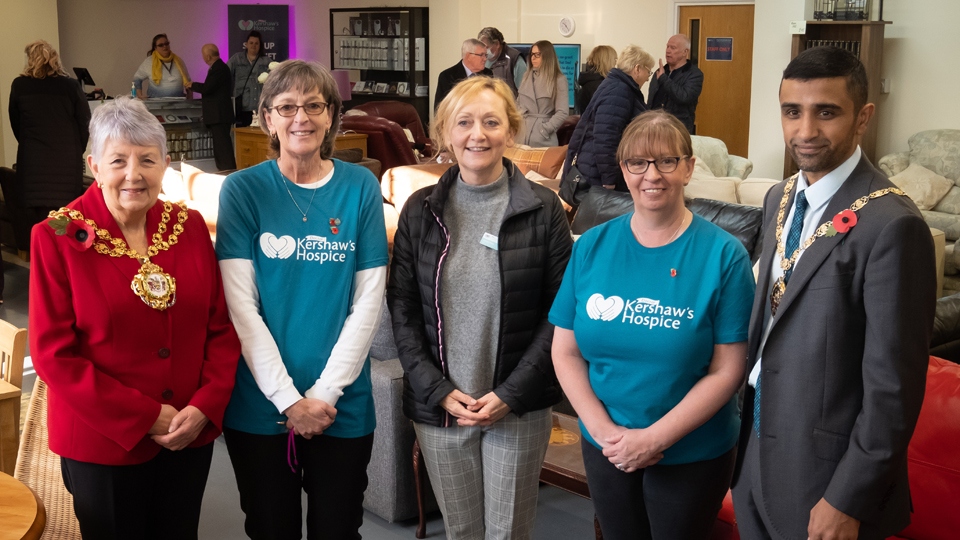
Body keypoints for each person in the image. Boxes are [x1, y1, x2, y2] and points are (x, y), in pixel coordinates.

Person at [731, 46, 937, 540]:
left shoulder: (893, 225)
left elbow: (893, 387)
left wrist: (849, 497)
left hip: (826, 475)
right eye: (791, 111)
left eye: (827, 112)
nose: (805, 131)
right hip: (756, 450)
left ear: (863, 117)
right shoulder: (780, 198)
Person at [28, 96, 240, 539]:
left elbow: (220, 328)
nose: (133, 174)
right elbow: (53, 355)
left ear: (165, 164)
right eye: (118, 160)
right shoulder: (56, 236)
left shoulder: (190, 226)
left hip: (188, 432)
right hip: (103, 443)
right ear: (94, 165)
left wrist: (204, 405)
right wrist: (146, 416)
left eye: (147, 159)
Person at [550, 109, 755, 539]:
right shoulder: (591, 247)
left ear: (689, 167)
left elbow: (728, 370)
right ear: (623, 170)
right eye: (637, 162)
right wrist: (605, 432)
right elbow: (565, 351)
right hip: (606, 446)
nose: (652, 175)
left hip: (692, 453)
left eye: (666, 161)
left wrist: (654, 439)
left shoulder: (724, 256)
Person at [388, 76, 572, 539]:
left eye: (491, 122)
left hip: (517, 408)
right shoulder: (419, 210)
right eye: (464, 122)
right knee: (462, 532)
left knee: (508, 533)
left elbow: (560, 312)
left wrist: (510, 394)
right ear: (446, 132)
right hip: (441, 409)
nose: (478, 134)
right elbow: (403, 309)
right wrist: (436, 389)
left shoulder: (545, 210)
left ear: (510, 131)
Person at [215, 59, 388, 539]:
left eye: (314, 105)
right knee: (272, 529)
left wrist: (324, 395)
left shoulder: (360, 188)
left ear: (332, 114)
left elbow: (368, 302)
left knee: (338, 529)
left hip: (342, 405)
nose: (301, 118)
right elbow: (241, 309)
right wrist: (290, 401)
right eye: (287, 106)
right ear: (267, 117)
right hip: (260, 407)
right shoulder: (242, 191)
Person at [8, 40, 91, 254]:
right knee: (66, 220)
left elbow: (16, 124)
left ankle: (43, 263)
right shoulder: (71, 86)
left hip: (32, 163)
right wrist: (74, 151)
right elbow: (85, 124)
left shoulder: (20, 85)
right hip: (66, 163)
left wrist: (30, 144)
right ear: (55, 58)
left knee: (38, 224)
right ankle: (67, 264)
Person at [564, 45, 653, 192]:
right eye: (648, 72)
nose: (648, 78)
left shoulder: (615, 85)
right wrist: (609, 179)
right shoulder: (620, 90)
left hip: (595, 169)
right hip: (598, 176)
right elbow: (606, 137)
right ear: (637, 69)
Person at [189, 44, 237, 171]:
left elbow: (208, 88)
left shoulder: (219, 68)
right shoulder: (219, 67)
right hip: (218, 115)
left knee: (223, 149)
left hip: (219, 115)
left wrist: (192, 85)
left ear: (208, 56)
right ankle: (223, 171)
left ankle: (227, 172)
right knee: (220, 148)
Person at [516, 40, 569, 148]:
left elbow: (562, 112)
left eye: (537, 55)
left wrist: (545, 129)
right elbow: (518, 104)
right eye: (532, 54)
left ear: (547, 56)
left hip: (543, 139)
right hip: (521, 136)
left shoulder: (558, 80)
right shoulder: (526, 76)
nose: (533, 58)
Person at [648, 34, 703, 134]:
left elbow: (684, 97)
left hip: (677, 130)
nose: (668, 51)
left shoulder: (694, 74)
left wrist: (664, 79)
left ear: (685, 52)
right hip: (654, 128)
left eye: (673, 48)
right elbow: (651, 100)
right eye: (667, 47)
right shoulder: (660, 71)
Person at [227, 31, 272, 127]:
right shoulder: (237, 59)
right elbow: (225, 74)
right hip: (242, 107)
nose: (253, 46)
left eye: (256, 43)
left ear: (260, 45)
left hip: (260, 107)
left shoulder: (266, 61)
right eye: (251, 43)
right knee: (242, 137)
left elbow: (275, 79)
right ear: (246, 44)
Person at [434, 38, 493, 112]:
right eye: (481, 55)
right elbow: (440, 108)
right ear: (468, 56)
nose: (485, 59)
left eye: (486, 55)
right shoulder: (447, 76)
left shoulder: (488, 74)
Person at [133, 33, 191, 98]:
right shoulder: (149, 62)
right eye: (161, 45)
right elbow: (137, 78)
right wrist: (140, 95)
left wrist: (190, 97)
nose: (165, 47)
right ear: (155, 47)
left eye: (166, 44)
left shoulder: (179, 61)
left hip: (178, 104)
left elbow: (188, 82)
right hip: (156, 104)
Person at [477, 27, 526, 96]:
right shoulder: (480, 57)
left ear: (497, 44)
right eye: (482, 48)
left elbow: (524, 92)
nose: (484, 51)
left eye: (486, 47)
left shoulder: (515, 60)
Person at [577, 45, 617, 114]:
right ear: (607, 62)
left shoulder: (589, 82)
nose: (616, 63)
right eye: (614, 59)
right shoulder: (600, 86)